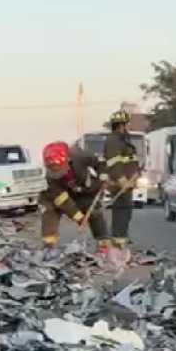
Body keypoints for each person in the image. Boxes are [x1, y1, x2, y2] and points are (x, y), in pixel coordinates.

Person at [39, 141, 108, 252]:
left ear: (67, 160)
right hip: (64, 193)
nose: (58, 174)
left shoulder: (79, 155)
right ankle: (49, 245)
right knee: (48, 209)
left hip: (84, 189)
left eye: (60, 169)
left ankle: (103, 243)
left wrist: (103, 177)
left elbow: (100, 163)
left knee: (94, 211)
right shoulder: (50, 177)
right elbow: (62, 200)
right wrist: (79, 218)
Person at [103, 109, 141, 255]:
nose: (128, 127)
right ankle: (118, 244)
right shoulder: (113, 141)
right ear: (121, 125)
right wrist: (122, 180)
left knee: (126, 213)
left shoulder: (123, 140)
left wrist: (135, 174)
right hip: (120, 185)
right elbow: (114, 163)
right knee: (121, 214)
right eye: (127, 124)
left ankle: (121, 240)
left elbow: (130, 160)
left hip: (127, 184)